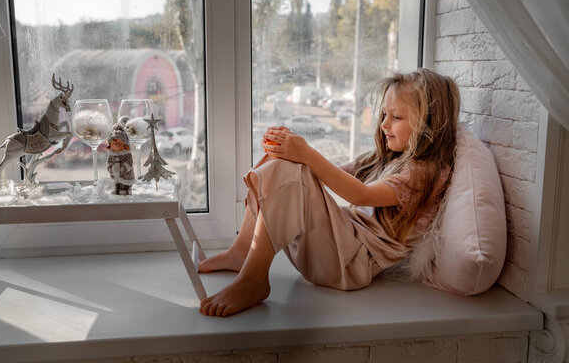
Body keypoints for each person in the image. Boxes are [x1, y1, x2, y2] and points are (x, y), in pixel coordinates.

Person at [198, 68, 460, 317]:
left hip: (350, 264)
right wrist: (291, 151)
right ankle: (242, 251)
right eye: (383, 115)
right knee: (284, 164)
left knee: (291, 167)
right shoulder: (386, 158)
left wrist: (306, 154)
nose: (383, 124)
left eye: (396, 117)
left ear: (430, 124)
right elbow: (326, 175)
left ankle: (253, 279)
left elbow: (361, 195)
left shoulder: (423, 173)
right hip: (338, 246)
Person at [106, 124, 136, 195]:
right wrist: (109, 167)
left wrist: (123, 168)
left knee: (124, 183)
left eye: (119, 143)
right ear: (110, 144)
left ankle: (126, 189)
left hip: (125, 174)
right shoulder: (111, 154)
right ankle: (117, 189)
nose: (116, 145)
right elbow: (109, 161)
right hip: (114, 173)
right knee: (116, 182)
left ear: (125, 144)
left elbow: (129, 162)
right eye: (114, 143)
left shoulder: (127, 154)